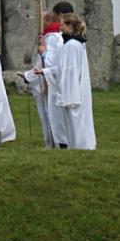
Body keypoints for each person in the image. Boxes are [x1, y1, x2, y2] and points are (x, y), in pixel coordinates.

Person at [38, 13, 96, 150]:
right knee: (76, 122)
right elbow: (62, 68)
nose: (60, 27)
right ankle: (78, 147)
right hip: (75, 90)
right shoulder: (74, 43)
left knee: (76, 122)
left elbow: (70, 72)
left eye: (62, 25)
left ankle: (80, 147)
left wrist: (66, 95)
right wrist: (45, 71)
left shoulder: (72, 45)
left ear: (70, 26)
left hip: (73, 93)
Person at [24, 11, 61, 148]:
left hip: (48, 79)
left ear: (47, 22)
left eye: (41, 20)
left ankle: (52, 142)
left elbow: (48, 61)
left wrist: (30, 76)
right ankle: (50, 142)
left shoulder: (52, 37)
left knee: (49, 112)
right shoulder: (50, 35)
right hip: (43, 76)